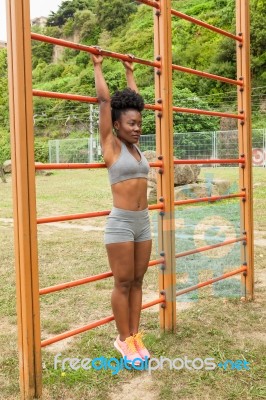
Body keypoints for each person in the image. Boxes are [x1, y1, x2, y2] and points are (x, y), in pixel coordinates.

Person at [91, 51, 152, 364]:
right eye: (131, 124)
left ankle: (135, 337)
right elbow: (104, 102)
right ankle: (122, 339)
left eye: (139, 124)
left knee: (139, 281)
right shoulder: (111, 146)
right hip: (121, 224)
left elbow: (135, 101)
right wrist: (98, 66)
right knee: (124, 282)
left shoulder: (136, 146)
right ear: (116, 125)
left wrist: (130, 72)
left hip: (143, 222)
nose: (137, 127)